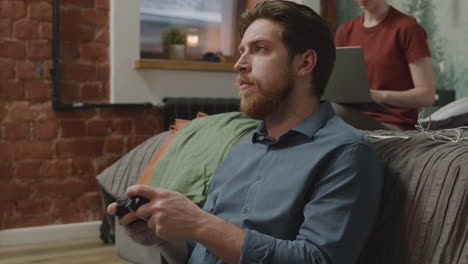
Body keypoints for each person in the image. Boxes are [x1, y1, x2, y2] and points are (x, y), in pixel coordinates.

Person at [107, 1, 384, 263]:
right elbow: (202, 252)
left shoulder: (346, 153)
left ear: (304, 64)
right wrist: (163, 237)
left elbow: (317, 258)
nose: (239, 63)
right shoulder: (241, 147)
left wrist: (200, 223)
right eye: (241, 50)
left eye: (260, 48)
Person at [335, 0, 436, 130]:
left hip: (391, 124)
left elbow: (426, 96)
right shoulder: (345, 31)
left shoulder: (408, 28)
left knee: (333, 112)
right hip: (353, 118)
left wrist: (377, 96)